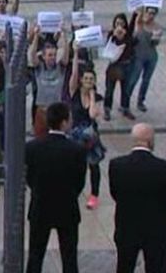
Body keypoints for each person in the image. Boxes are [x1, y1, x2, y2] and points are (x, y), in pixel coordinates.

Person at [25, 102, 87, 273]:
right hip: (67, 207)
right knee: (69, 257)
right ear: (64, 122)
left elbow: (29, 178)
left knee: (35, 255)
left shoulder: (32, 148)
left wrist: (38, 189)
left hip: (40, 206)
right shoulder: (77, 150)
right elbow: (80, 181)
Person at [109, 123, 166, 273]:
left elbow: (115, 193)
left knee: (124, 267)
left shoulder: (117, 166)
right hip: (156, 231)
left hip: (127, 227)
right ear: (151, 140)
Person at [68, 43, 106, 210]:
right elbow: (74, 73)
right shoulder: (74, 92)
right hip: (75, 133)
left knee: (94, 165)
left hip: (90, 134)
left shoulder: (96, 97)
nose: (89, 81)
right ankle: (73, 192)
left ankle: (94, 195)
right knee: (77, 166)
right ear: (82, 80)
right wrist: (75, 54)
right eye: (86, 79)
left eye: (92, 79)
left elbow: (92, 114)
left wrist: (91, 96)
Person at [28, 25, 69, 138]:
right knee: (40, 140)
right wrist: (36, 36)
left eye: (54, 55)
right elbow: (32, 56)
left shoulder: (60, 67)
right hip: (42, 110)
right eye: (50, 55)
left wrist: (64, 36)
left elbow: (65, 56)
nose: (52, 57)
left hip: (56, 110)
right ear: (44, 56)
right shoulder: (39, 67)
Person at [127, 7, 162, 113]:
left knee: (146, 79)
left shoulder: (157, 27)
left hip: (151, 56)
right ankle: (126, 100)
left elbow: (155, 43)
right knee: (134, 78)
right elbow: (135, 27)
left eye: (153, 13)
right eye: (149, 12)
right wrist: (140, 13)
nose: (151, 15)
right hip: (138, 55)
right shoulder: (140, 22)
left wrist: (156, 38)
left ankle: (140, 101)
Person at [103, 13, 136, 121]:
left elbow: (130, 44)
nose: (120, 26)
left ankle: (125, 108)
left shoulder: (128, 34)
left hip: (126, 66)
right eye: (117, 23)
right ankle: (107, 109)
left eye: (122, 23)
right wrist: (115, 36)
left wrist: (135, 14)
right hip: (114, 66)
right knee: (109, 89)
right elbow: (109, 48)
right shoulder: (111, 35)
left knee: (126, 90)